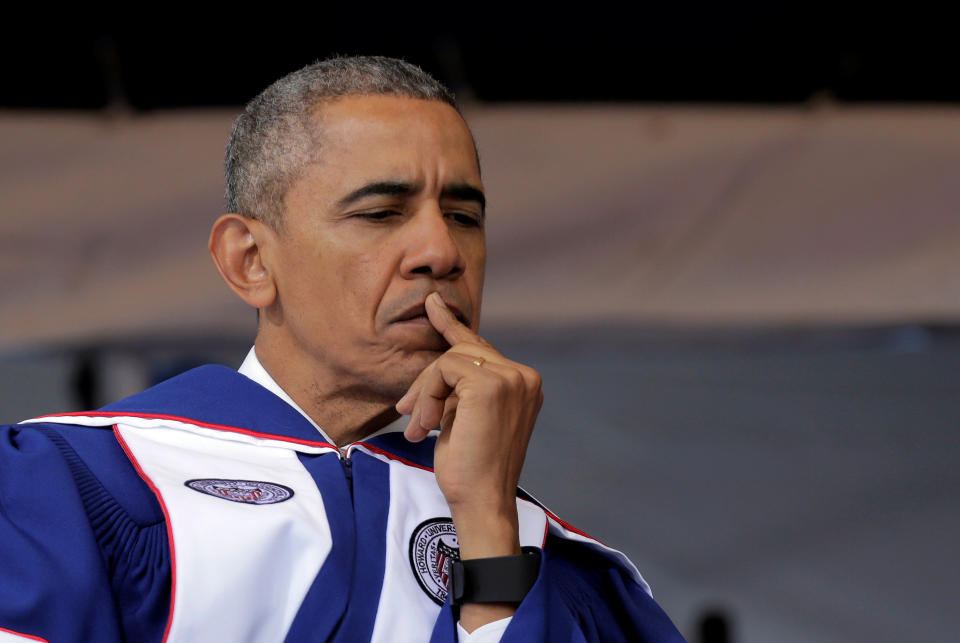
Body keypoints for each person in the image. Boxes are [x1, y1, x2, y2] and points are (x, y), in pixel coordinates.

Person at [0, 56, 686, 642]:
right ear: (250, 262)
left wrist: (486, 524)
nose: (441, 252)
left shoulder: (551, 559)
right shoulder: (75, 484)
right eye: (382, 213)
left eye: (464, 216)